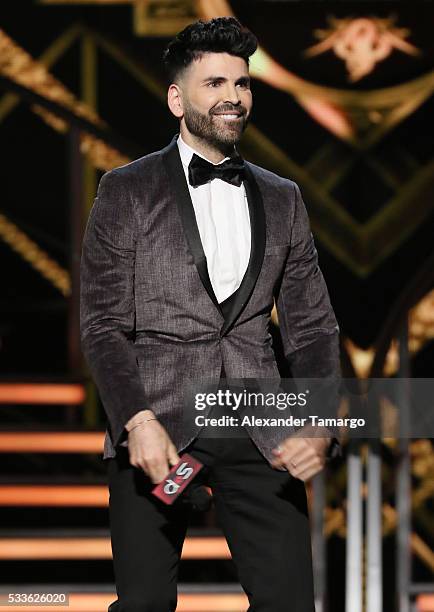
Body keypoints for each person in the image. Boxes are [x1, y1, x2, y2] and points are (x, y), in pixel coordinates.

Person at [80, 16, 341, 612]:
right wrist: (135, 420)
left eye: (242, 84)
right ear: (177, 98)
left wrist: (322, 420)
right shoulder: (126, 190)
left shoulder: (284, 197)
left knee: (290, 603)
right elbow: (103, 324)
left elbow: (313, 327)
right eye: (215, 83)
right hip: (161, 428)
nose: (233, 97)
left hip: (259, 428)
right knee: (144, 602)